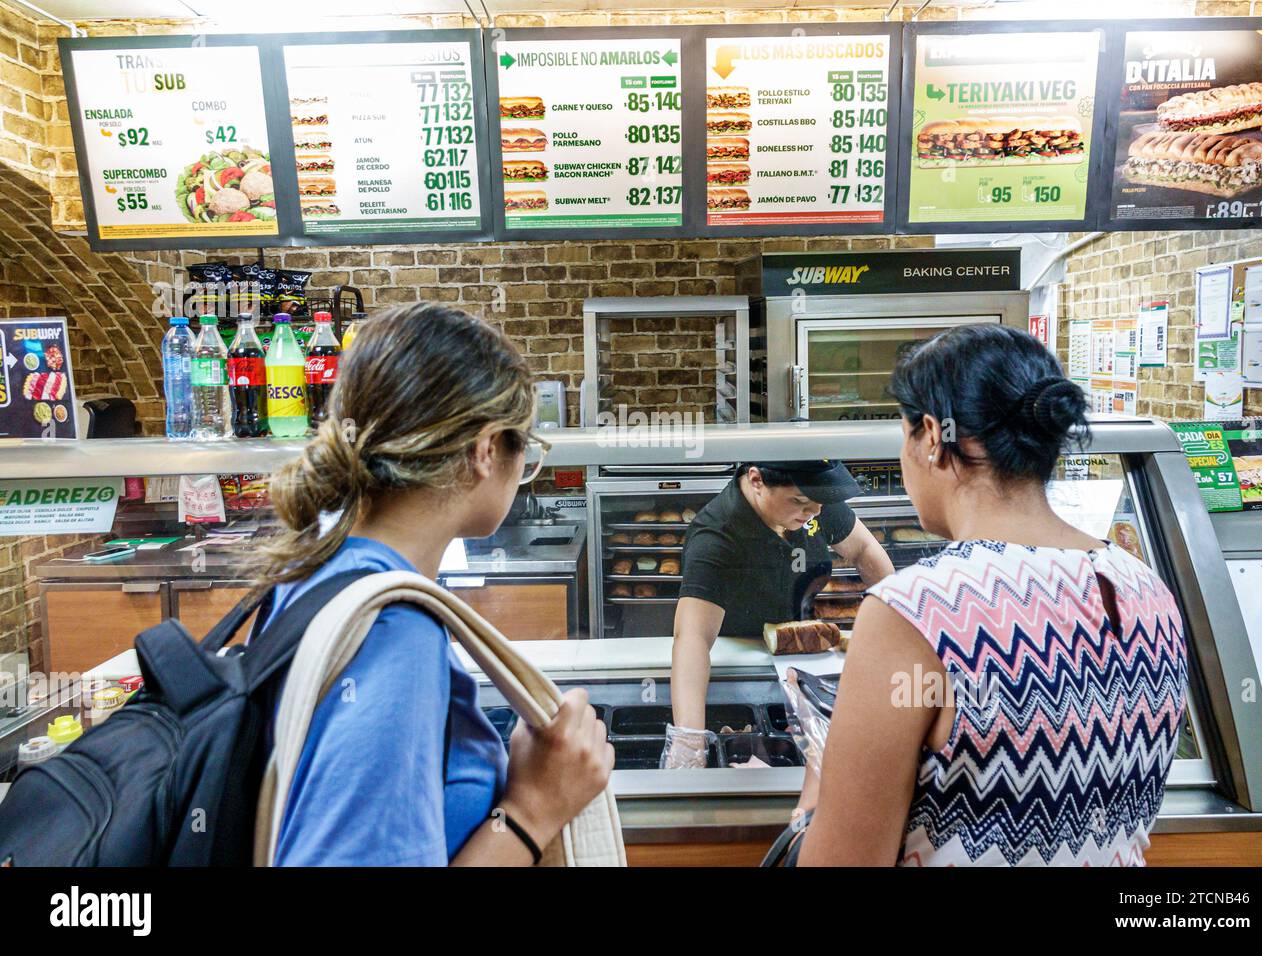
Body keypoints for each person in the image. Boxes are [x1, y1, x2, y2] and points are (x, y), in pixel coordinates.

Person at [794, 324, 1188, 866]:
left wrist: (816, 796)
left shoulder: (916, 609)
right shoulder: (1149, 589)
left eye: (903, 434)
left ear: (932, 436)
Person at [251, 302, 612, 866]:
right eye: (528, 450)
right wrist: (535, 807)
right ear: (487, 450)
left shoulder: (318, 567)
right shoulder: (393, 632)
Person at [666, 459, 894, 766]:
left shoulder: (814, 502)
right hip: (741, 680)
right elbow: (692, 637)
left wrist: (897, 621)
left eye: (818, 504)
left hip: (806, 667)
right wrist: (689, 740)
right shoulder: (717, 535)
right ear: (757, 480)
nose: (814, 513)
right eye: (799, 503)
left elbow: (864, 549)